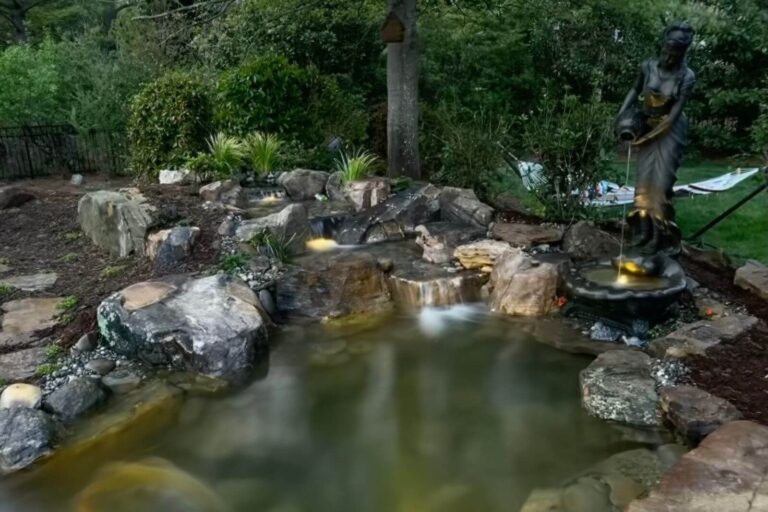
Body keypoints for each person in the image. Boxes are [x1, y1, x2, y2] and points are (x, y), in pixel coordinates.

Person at [614, 22, 696, 275]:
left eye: (676, 52)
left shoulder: (687, 76)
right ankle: (641, 234)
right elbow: (635, 89)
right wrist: (620, 115)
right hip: (647, 125)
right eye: (667, 49)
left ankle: (659, 239)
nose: (669, 56)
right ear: (663, 44)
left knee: (660, 186)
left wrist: (643, 140)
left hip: (670, 131)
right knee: (643, 185)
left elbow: (672, 117)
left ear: (683, 53)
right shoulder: (648, 66)